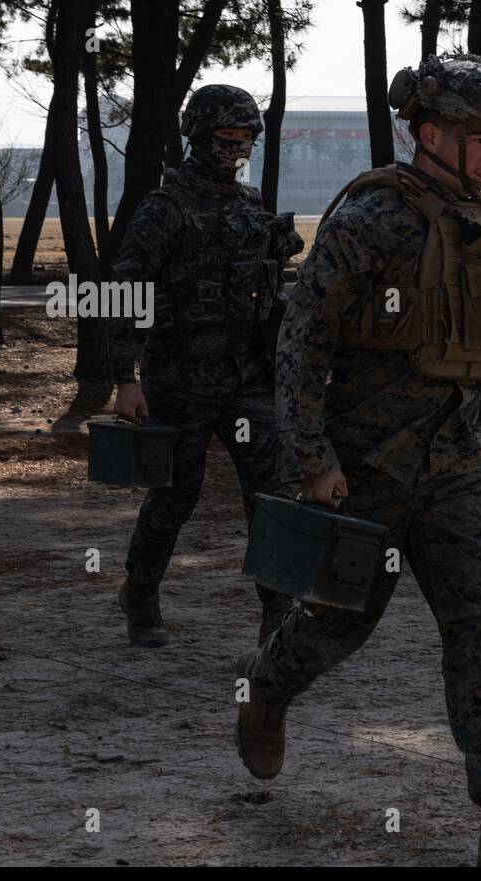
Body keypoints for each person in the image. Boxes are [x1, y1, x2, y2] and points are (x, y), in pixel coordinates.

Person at [234, 55, 481, 866]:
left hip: (459, 473)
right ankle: (268, 688)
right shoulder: (371, 216)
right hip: (368, 470)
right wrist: (311, 456)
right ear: (429, 134)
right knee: (338, 624)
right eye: (479, 138)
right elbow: (302, 338)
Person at [106, 84, 302, 648]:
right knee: (174, 495)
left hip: (247, 379)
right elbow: (124, 293)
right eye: (226, 138)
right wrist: (125, 379)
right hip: (180, 378)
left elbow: (270, 293)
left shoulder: (250, 209)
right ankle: (140, 591)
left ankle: (278, 615)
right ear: (198, 135)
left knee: (273, 495)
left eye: (245, 139)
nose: (236, 148)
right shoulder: (164, 209)